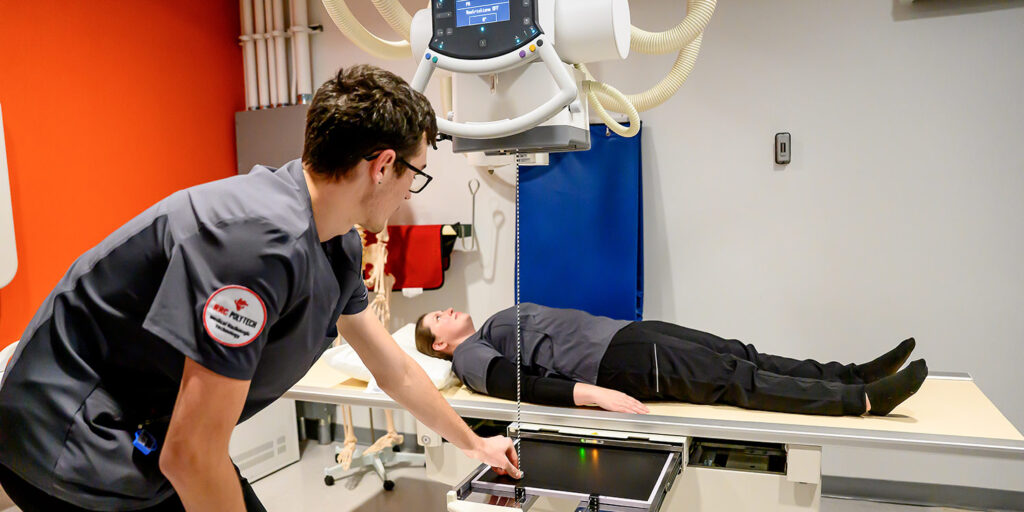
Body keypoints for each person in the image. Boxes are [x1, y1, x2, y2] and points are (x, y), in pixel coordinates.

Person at [0, 65, 520, 512]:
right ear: (383, 166)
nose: (411, 188)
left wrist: (474, 443)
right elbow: (190, 455)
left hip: (154, 431)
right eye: (416, 174)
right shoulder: (255, 244)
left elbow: (395, 368)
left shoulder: (334, 240)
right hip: (70, 441)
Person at [415, 303, 928, 417]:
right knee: (734, 379)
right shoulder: (471, 355)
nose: (447, 310)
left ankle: (853, 374)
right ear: (441, 344)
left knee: (737, 354)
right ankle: (859, 400)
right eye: (437, 317)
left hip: (627, 335)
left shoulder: (487, 327)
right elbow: (514, 384)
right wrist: (593, 395)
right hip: (614, 363)